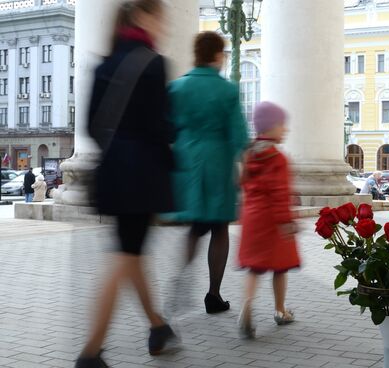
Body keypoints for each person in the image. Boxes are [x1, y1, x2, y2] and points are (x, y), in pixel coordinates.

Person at [76, 1, 176, 366]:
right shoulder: (154, 63)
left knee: (131, 253)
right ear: (142, 17)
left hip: (113, 171)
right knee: (123, 257)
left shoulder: (103, 63)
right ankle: (90, 352)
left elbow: (90, 125)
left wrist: (117, 151)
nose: (163, 25)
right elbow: (160, 126)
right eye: (160, 17)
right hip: (142, 173)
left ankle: (157, 324)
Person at [166, 31, 249, 314]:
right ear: (216, 55)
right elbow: (239, 135)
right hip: (218, 164)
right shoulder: (227, 90)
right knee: (219, 228)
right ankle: (213, 294)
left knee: (194, 228)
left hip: (188, 164)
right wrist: (244, 167)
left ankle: (180, 279)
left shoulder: (177, 88)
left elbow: (167, 128)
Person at [237, 101, 300, 339]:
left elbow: (243, 184)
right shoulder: (278, 159)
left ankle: (246, 306)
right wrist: (286, 221)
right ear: (271, 127)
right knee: (280, 268)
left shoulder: (248, 154)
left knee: (254, 268)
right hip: (274, 222)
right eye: (282, 125)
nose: (285, 130)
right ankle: (280, 310)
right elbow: (280, 192)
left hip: (252, 219)